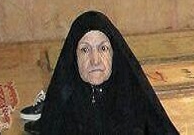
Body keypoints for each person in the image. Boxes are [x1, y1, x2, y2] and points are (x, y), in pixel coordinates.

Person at [31, 10, 177, 134]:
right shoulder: (61, 111)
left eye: (103, 48)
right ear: (74, 58)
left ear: (114, 55)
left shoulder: (135, 104)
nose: (95, 60)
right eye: (85, 49)